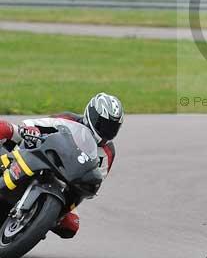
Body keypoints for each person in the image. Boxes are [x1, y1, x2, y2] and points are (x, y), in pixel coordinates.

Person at [0, 92, 124, 239]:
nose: (107, 131)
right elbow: (34, 123)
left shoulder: (108, 152)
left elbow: (97, 177)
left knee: (71, 225)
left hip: (66, 181)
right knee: (6, 128)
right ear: (92, 114)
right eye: (104, 124)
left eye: (112, 128)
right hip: (39, 152)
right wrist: (30, 129)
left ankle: (35, 220)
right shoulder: (69, 119)